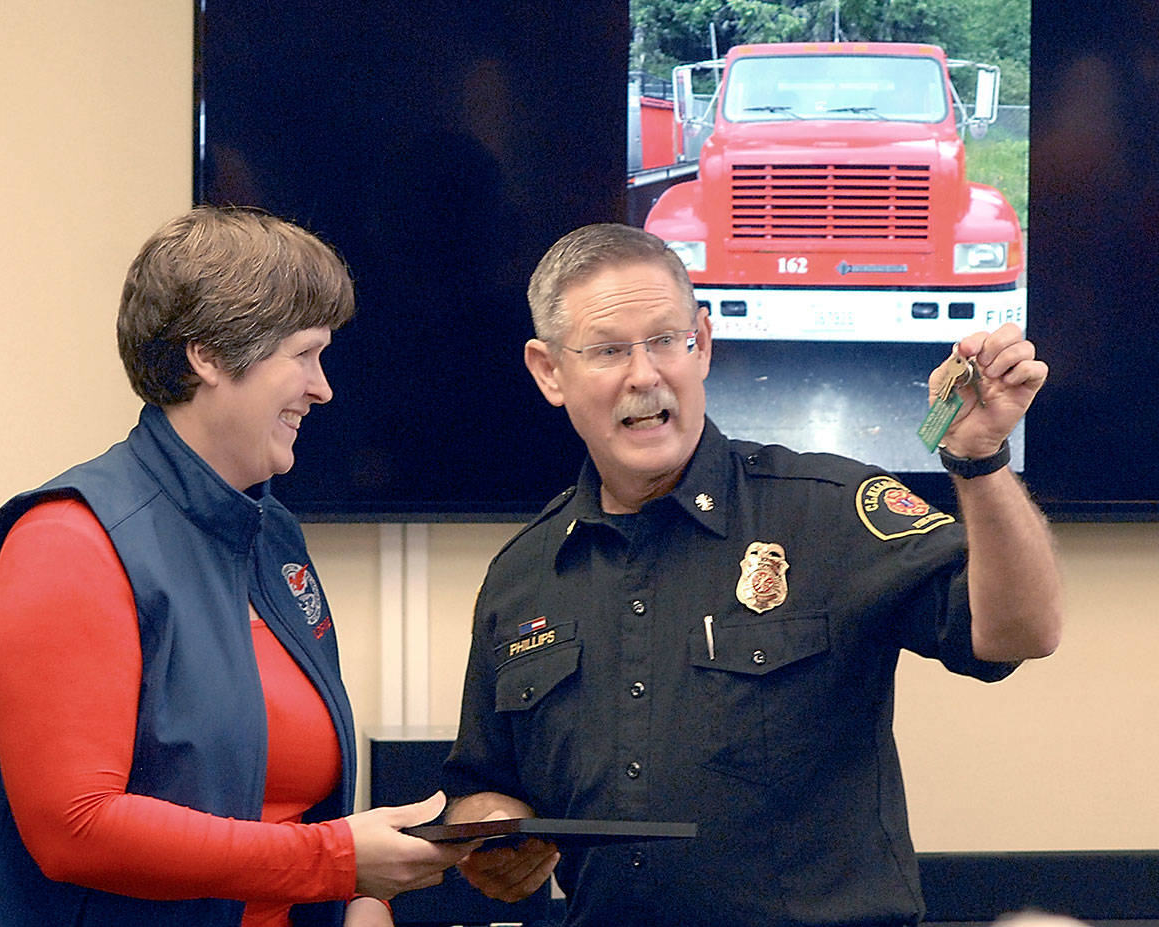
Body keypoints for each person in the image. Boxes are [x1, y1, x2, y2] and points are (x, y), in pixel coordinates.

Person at [441, 223, 1063, 927]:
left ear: (702, 344)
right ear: (549, 370)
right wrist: (489, 830)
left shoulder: (829, 511)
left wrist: (980, 461)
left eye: (666, 340)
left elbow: (1020, 632)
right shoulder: (523, 574)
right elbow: (481, 786)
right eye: (609, 350)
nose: (644, 374)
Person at [0, 206, 471, 927]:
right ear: (209, 356)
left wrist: (361, 896)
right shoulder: (69, 539)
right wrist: (336, 863)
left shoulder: (272, 535)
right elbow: (75, 827)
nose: (323, 388)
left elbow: (294, 812)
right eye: (304, 355)